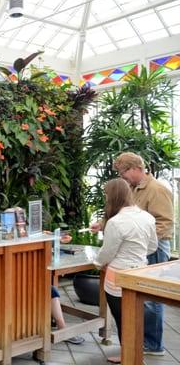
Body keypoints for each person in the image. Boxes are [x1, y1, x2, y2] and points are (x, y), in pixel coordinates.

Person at [113, 152, 172, 356]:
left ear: (137, 169)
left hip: (155, 247)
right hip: (142, 248)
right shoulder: (133, 188)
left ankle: (154, 344)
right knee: (142, 297)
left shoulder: (157, 190)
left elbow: (165, 223)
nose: (123, 177)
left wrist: (142, 239)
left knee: (152, 297)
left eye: (124, 172)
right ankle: (142, 340)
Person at [93, 178, 158, 364]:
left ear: (112, 197)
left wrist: (97, 263)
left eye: (106, 195)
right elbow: (152, 246)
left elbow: (107, 252)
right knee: (136, 315)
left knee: (123, 318)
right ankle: (136, 354)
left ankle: (128, 355)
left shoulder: (116, 222)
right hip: (140, 273)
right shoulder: (147, 217)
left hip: (118, 277)